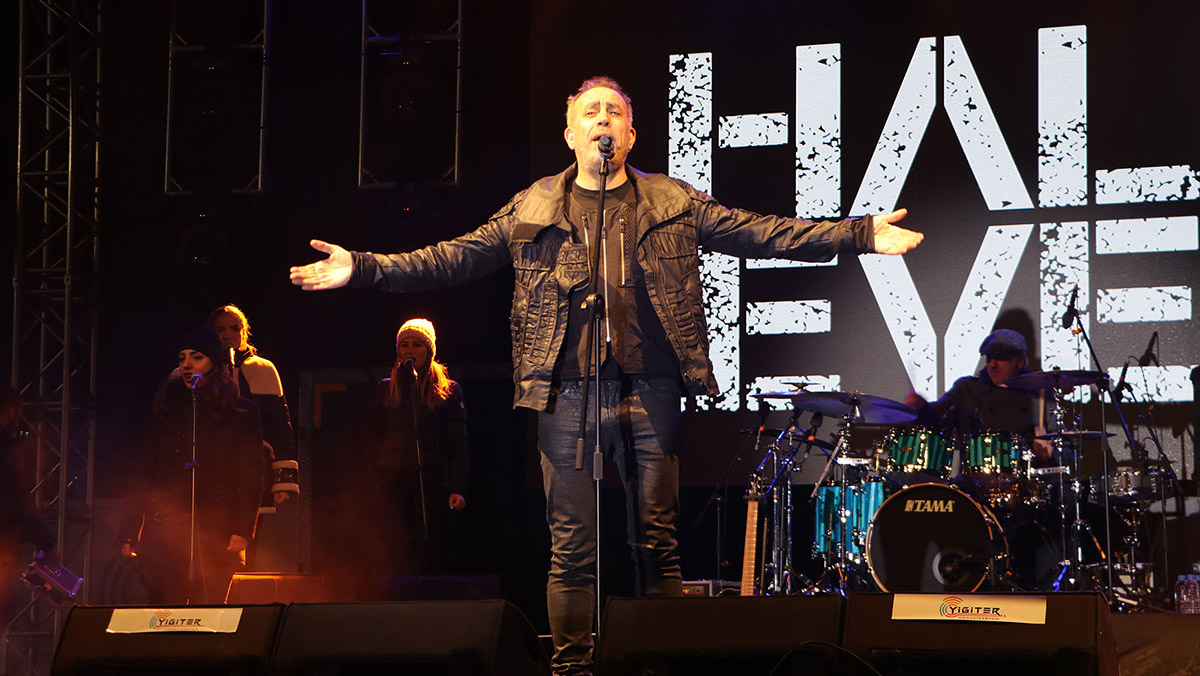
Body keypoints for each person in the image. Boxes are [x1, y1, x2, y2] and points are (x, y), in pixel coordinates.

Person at [289, 76, 923, 675]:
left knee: (656, 540)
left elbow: (762, 233)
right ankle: (571, 666)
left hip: (652, 388)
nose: (603, 120)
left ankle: (660, 661)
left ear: (630, 134)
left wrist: (859, 234)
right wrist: (364, 267)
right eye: (590, 112)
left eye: (613, 112)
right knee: (571, 546)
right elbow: (452, 257)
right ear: (570, 134)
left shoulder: (671, 200)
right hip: (565, 392)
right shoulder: (534, 204)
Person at [119, 328, 265, 604]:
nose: (187, 364)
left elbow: (251, 475)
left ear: (213, 363)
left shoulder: (240, 412)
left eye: (196, 357)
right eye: (182, 357)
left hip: (217, 526)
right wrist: (129, 529)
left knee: (208, 609)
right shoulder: (165, 407)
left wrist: (243, 529)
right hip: (166, 527)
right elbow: (143, 471)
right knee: (165, 610)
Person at [363, 319, 468, 584]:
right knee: (395, 548)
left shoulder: (448, 390)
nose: (410, 350)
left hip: (430, 483)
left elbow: (457, 444)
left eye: (417, 345)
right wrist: (373, 479)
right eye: (405, 345)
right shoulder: (386, 388)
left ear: (429, 350)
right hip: (392, 481)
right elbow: (371, 439)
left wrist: (458, 487)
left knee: (429, 547)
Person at [208, 304, 299, 571]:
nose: (227, 335)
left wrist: (283, 481)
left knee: (247, 540)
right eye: (220, 330)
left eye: (234, 329)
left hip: (253, 469)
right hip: (210, 470)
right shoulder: (198, 370)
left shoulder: (262, 369)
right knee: (210, 542)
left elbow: (280, 426)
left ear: (244, 332)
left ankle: (240, 594)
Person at [0, 386, 60, 616]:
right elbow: (17, 499)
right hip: (3, 543)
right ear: (10, 411)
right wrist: (47, 543)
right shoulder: (7, 449)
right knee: (5, 604)